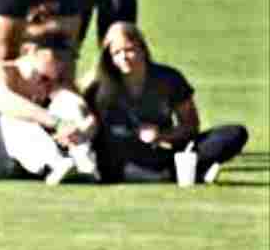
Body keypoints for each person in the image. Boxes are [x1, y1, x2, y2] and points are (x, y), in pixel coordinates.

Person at [83, 22, 248, 184]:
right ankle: (187, 173)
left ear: (142, 49)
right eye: (116, 53)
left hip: (164, 151)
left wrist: (161, 135)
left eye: (129, 50)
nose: (124, 57)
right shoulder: (98, 86)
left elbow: (190, 125)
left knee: (233, 133)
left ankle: (182, 170)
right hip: (123, 158)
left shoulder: (168, 79)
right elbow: (89, 126)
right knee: (113, 159)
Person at [0, 10, 98, 184]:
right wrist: (58, 123)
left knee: (68, 103)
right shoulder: (1, 70)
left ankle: (84, 164)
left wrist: (84, 128)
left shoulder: (54, 79)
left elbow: (78, 107)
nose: (62, 61)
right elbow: (5, 102)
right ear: (29, 50)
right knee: (16, 118)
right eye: (54, 52)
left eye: (65, 54)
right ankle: (59, 164)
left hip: (33, 159)